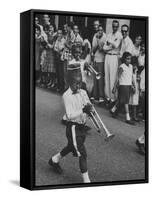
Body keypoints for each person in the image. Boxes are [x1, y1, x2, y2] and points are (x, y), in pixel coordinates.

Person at [48, 63, 93, 183]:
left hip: (81, 127)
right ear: (69, 82)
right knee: (82, 153)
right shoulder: (66, 95)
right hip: (73, 128)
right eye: (75, 83)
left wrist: (89, 110)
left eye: (79, 83)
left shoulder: (83, 92)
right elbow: (69, 115)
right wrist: (82, 110)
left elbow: (88, 106)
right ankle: (86, 181)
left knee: (71, 147)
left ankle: (54, 160)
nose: (78, 85)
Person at [111, 52, 135, 125]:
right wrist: (114, 87)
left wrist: (134, 85)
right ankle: (128, 118)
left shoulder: (131, 66)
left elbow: (131, 76)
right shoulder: (122, 66)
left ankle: (113, 109)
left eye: (130, 59)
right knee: (126, 102)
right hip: (123, 85)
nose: (129, 60)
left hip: (128, 85)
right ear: (124, 59)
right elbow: (117, 77)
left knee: (121, 100)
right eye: (127, 59)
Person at [103, 20, 122, 105]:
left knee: (112, 77)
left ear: (118, 27)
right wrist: (111, 44)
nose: (114, 28)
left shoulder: (119, 35)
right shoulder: (109, 35)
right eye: (113, 26)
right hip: (107, 56)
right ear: (112, 26)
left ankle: (113, 99)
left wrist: (109, 43)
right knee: (107, 77)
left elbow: (116, 45)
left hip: (114, 57)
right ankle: (108, 97)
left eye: (116, 26)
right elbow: (104, 48)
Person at [92, 25, 106, 103]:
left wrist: (98, 41)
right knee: (95, 78)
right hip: (95, 59)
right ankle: (95, 96)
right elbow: (93, 49)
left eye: (101, 30)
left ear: (103, 30)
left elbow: (101, 49)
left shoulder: (105, 37)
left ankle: (101, 96)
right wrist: (97, 41)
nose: (99, 32)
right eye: (98, 30)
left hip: (101, 60)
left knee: (100, 79)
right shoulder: (95, 36)